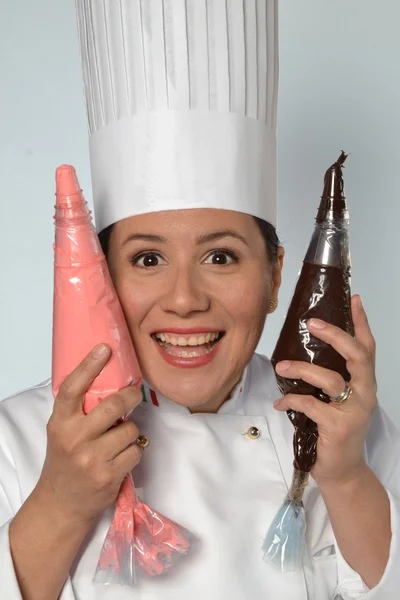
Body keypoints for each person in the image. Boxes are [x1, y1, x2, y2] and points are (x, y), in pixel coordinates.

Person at [1, 1, 399, 599]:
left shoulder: (343, 425)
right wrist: (61, 502)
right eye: (147, 259)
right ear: (106, 281)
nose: (184, 300)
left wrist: (343, 477)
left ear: (273, 278)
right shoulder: (19, 438)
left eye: (221, 257)